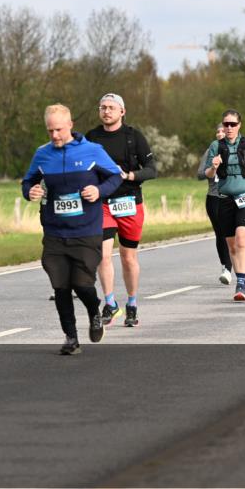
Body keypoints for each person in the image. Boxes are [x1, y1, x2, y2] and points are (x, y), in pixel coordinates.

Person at [22, 104, 125, 355]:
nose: (54, 135)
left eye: (58, 129)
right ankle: (71, 337)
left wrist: (99, 191)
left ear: (70, 126)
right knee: (60, 287)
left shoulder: (92, 150)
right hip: (55, 232)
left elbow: (116, 176)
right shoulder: (43, 154)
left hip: (86, 231)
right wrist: (30, 191)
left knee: (81, 284)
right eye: (50, 131)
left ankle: (94, 312)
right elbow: (28, 181)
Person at [85, 93, 156, 328]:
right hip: (102, 203)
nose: (106, 111)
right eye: (102, 107)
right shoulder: (92, 137)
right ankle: (110, 303)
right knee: (103, 256)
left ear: (122, 112)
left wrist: (129, 175)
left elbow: (151, 169)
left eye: (111, 108)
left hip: (129, 202)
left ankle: (132, 304)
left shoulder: (133, 137)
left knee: (128, 257)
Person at [203, 109, 245, 302]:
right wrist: (213, 166)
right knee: (231, 247)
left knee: (241, 240)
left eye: (232, 124)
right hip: (224, 199)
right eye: (226, 124)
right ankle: (239, 277)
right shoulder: (216, 145)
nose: (228, 128)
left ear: (239, 125)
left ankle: (242, 282)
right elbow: (207, 174)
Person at [198, 123, 233, 285]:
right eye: (217, 131)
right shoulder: (210, 151)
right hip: (214, 197)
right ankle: (226, 267)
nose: (220, 133)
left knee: (232, 233)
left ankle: (235, 265)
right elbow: (199, 174)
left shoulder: (237, 149)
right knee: (220, 233)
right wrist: (213, 167)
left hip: (232, 197)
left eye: (223, 131)